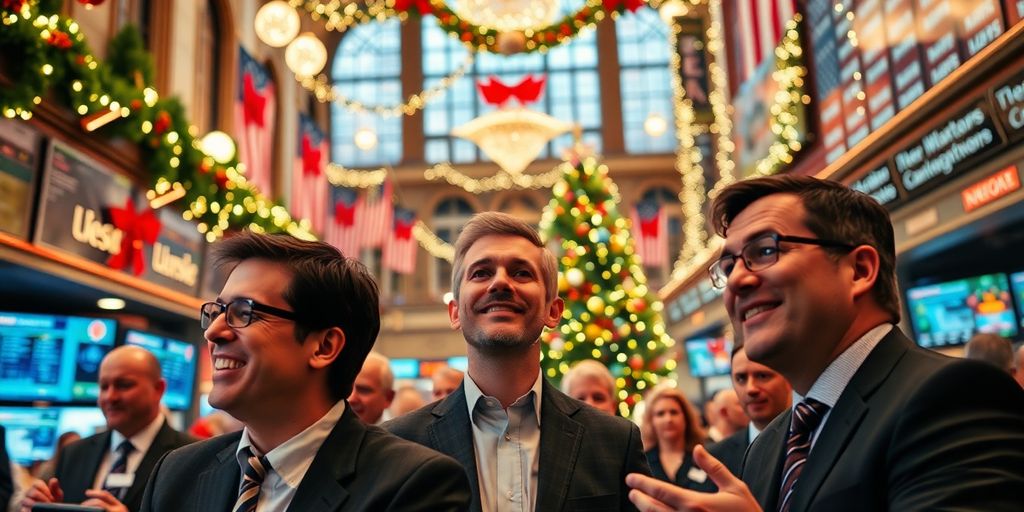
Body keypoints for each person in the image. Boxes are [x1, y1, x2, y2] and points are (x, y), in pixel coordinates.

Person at [626, 175, 1024, 511]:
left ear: (859, 269)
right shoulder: (766, 448)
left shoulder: (953, 397)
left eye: (765, 251)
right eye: (729, 266)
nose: (737, 280)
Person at [140, 232, 470, 511]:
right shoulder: (176, 474)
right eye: (216, 312)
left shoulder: (412, 485)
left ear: (324, 347)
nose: (214, 333)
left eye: (244, 312)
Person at [385, 212, 650, 511]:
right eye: (481, 273)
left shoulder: (615, 441)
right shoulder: (398, 445)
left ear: (553, 310)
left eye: (521, 273)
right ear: (455, 312)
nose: (500, 283)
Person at [20, 346, 194, 512]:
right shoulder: (74, 453)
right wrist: (49, 509)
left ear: (158, 389)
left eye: (124, 385)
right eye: (104, 386)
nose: (110, 396)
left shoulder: (192, 456)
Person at [706, 344, 791, 477]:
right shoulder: (715, 457)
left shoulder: (810, 443)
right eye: (741, 378)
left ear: (788, 378)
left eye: (762, 376)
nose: (750, 389)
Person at [641, 386, 713, 493]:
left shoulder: (706, 457)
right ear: (651, 421)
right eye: (660, 414)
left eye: (674, 412)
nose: (668, 419)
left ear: (686, 418)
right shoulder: (642, 462)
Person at [348, 352, 395, 424]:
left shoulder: (398, 433)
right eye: (346, 389)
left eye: (363, 390)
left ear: (388, 398)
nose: (351, 399)